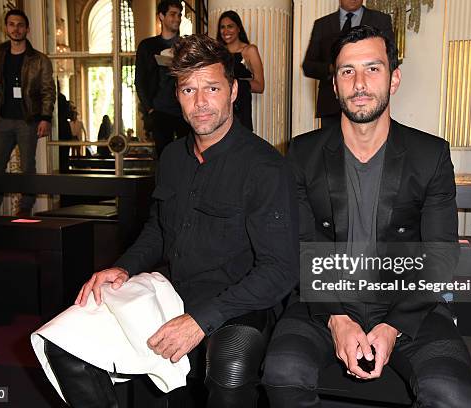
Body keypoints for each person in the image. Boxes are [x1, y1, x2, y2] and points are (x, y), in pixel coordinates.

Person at [43, 33, 299, 408]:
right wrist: (123, 268)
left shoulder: (265, 167)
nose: (200, 103)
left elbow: (279, 270)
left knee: (229, 366)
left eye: (211, 88)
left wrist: (200, 320)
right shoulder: (174, 158)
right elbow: (159, 230)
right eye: (188, 90)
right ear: (177, 96)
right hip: (172, 292)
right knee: (64, 342)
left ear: (233, 92)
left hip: (241, 303)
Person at [261, 26, 471, 408]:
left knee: (453, 395)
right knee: (282, 371)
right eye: (347, 71)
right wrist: (336, 319)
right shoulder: (302, 153)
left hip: (410, 304)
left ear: (394, 78)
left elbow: (441, 254)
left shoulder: (430, 155)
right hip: (323, 301)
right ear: (334, 84)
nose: (359, 82)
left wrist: (394, 325)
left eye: (373, 69)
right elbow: (298, 246)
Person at [0, 8, 55, 217]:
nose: (16, 28)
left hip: (28, 120)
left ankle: (24, 209)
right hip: (3, 119)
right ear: (6, 28)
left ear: (27, 29)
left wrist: (45, 118)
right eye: (12, 24)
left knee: (27, 167)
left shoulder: (40, 59)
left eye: (20, 25)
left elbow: (49, 90)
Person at [303, 0, 393, 128]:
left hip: (369, 101)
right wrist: (332, 69)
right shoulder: (322, 24)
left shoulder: (380, 20)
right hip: (330, 103)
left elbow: (390, 60)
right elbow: (308, 66)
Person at [135, 0, 190, 158]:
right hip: (159, 111)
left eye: (179, 15)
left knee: (187, 157)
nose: (177, 18)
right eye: (172, 14)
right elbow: (140, 80)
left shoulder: (185, 45)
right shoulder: (147, 46)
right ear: (161, 16)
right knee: (164, 159)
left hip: (184, 110)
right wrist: (150, 109)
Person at [216, 10, 264, 131]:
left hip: (241, 108)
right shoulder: (218, 53)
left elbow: (260, 86)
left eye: (230, 26)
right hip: (221, 106)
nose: (225, 31)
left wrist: (234, 83)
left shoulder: (249, 50)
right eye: (222, 27)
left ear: (238, 28)